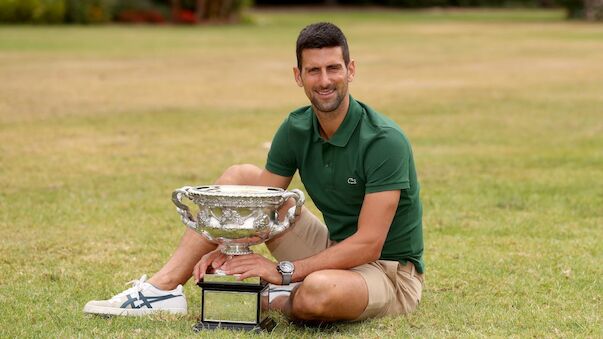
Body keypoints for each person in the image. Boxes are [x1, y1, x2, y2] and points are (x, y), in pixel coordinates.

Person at [84, 22, 424, 322]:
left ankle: (278, 296)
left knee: (318, 293)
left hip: (386, 270)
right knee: (240, 178)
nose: (325, 81)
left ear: (351, 70)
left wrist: (280, 271)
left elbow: (368, 244)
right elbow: (260, 210)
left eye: (333, 68)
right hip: (331, 250)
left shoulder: (383, 140)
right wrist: (228, 247)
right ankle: (163, 290)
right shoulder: (296, 128)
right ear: (298, 76)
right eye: (313, 70)